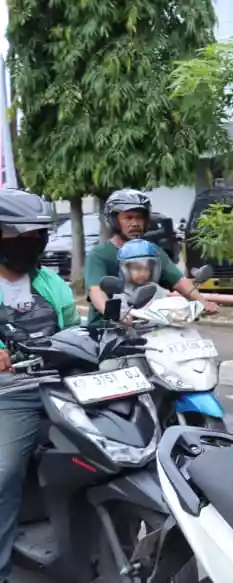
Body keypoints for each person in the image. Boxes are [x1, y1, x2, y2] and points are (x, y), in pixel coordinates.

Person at [0, 190, 78, 583]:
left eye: (38, 235)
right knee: (4, 472)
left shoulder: (53, 284)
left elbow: (74, 331)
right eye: (21, 235)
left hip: (63, 386)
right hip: (10, 394)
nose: (32, 243)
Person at [85, 189, 217, 322]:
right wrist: (114, 314)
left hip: (149, 324)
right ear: (114, 221)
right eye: (129, 218)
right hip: (105, 329)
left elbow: (179, 281)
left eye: (139, 218)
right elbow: (95, 290)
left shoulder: (152, 251)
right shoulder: (99, 254)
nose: (135, 223)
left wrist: (202, 302)